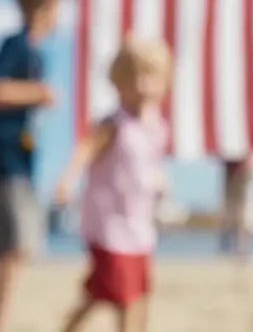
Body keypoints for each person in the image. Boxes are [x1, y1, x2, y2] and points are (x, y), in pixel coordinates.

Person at [55, 37, 172, 332]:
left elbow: (149, 164)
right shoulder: (113, 123)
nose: (144, 86)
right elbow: (86, 150)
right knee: (115, 294)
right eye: (136, 78)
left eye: (152, 78)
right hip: (110, 226)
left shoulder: (155, 127)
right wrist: (67, 181)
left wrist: (160, 183)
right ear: (120, 83)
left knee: (138, 292)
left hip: (139, 226)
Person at [0, 0, 62, 332]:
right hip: (5, 163)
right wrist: (39, 94)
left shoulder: (37, 54)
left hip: (20, 165)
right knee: (13, 254)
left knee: (16, 254)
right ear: (46, 6)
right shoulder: (17, 45)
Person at [220, 151, 253, 261]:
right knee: (236, 209)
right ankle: (238, 249)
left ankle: (238, 249)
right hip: (238, 167)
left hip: (240, 168)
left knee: (237, 209)